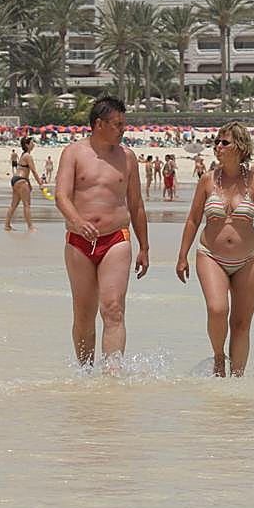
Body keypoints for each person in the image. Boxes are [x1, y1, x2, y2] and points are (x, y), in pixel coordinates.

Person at [175, 121, 254, 377]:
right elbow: (193, 219)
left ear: (240, 146)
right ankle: (218, 357)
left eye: (224, 142)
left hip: (248, 258)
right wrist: (182, 256)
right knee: (217, 309)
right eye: (217, 142)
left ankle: (237, 383)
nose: (218, 147)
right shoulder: (207, 180)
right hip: (210, 255)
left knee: (241, 323)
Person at [55, 97, 150, 370]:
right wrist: (76, 220)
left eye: (124, 124)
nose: (124, 129)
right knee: (84, 314)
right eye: (118, 124)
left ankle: (112, 374)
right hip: (78, 241)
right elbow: (62, 196)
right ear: (99, 124)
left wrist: (144, 246)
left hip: (115, 239)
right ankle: (86, 372)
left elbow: (136, 204)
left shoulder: (127, 158)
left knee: (113, 309)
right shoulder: (73, 153)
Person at [5, 136, 39, 232]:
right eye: (32, 143)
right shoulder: (28, 156)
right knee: (26, 204)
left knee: (14, 204)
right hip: (21, 180)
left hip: (16, 180)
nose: (34, 144)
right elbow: (33, 171)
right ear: (27, 145)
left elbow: (24, 171)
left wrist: (29, 183)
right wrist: (41, 183)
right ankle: (30, 227)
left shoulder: (23, 155)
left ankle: (7, 225)